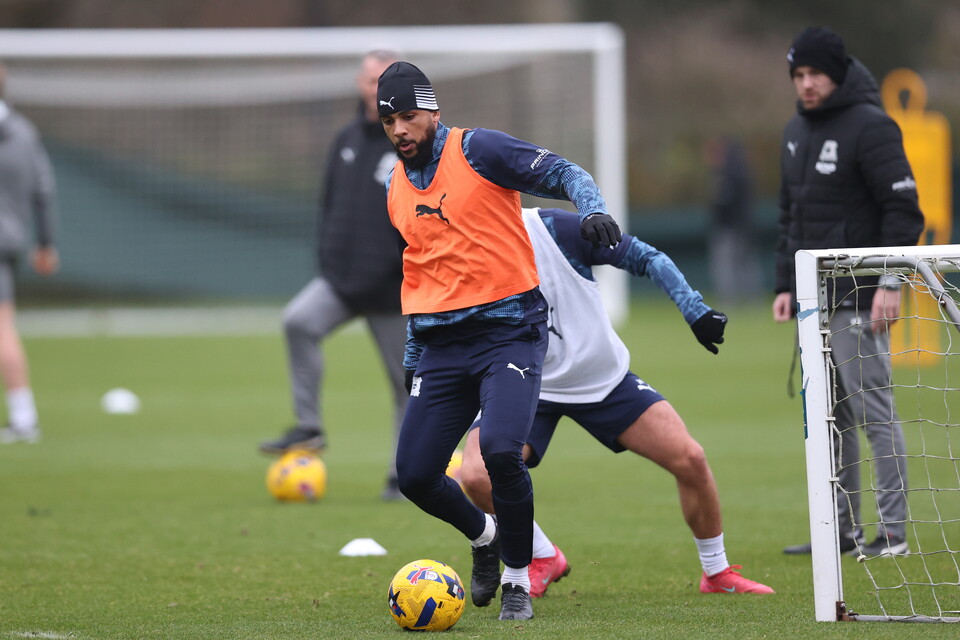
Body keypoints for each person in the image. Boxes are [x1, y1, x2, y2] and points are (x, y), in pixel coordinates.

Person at [377, 61, 622, 621]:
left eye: (409, 118)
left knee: (500, 454)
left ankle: (517, 577)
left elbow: (565, 171)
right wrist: (413, 360)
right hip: (441, 350)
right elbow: (416, 275)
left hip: (509, 336)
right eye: (389, 123)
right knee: (414, 475)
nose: (399, 131)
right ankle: (485, 537)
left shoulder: (480, 150)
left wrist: (593, 210)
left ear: (433, 112)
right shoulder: (394, 186)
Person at [459, 207, 773, 597]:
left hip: (600, 378)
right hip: (523, 384)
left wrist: (694, 309)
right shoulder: (460, 243)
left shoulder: (558, 230)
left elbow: (647, 257)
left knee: (690, 458)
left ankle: (716, 572)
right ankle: (543, 556)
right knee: (475, 474)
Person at [772, 27, 924, 557]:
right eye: (798, 75)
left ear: (836, 74)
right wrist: (783, 285)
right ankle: (840, 532)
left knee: (872, 416)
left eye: (814, 74)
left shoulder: (872, 126)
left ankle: (893, 536)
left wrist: (890, 281)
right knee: (828, 420)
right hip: (813, 299)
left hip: (861, 297)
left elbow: (905, 211)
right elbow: (791, 217)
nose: (806, 84)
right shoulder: (794, 129)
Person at [258, 50, 409, 501]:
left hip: (391, 290)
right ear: (359, 85)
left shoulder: (409, 144)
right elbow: (327, 205)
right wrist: (329, 258)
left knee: (407, 385)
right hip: (342, 282)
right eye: (368, 78)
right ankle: (309, 427)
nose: (373, 86)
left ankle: (401, 479)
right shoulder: (345, 138)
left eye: (383, 78)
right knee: (298, 321)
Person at [0, 62, 59, 445]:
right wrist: (46, 242)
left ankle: (24, 419)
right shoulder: (23, 132)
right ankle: (24, 416)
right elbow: (44, 189)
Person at [701, 136, 760, 305]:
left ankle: (733, 303)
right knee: (743, 266)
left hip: (730, 228)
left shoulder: (727, 174)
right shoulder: (739, 171)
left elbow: (724, 203)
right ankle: (749, 303)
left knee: (729, 267)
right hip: (741, 227)